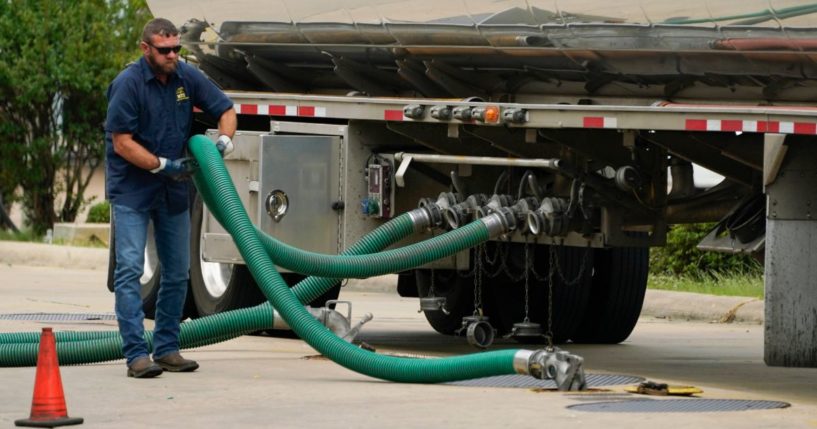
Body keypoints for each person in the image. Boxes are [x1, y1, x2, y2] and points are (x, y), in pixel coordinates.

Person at [105, 18, 236, 378]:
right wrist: (162, 164)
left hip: (173, 188)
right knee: (130, 270)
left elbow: (225, 110)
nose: (173, 55)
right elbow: (122, 142)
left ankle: (166, 348)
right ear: (146, 48)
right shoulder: (128, 84)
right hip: (133, 190)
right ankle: (135, 355)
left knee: (178, 272)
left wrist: (223, 143)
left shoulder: (185, 77)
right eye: (165, 50)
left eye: (177, 48)